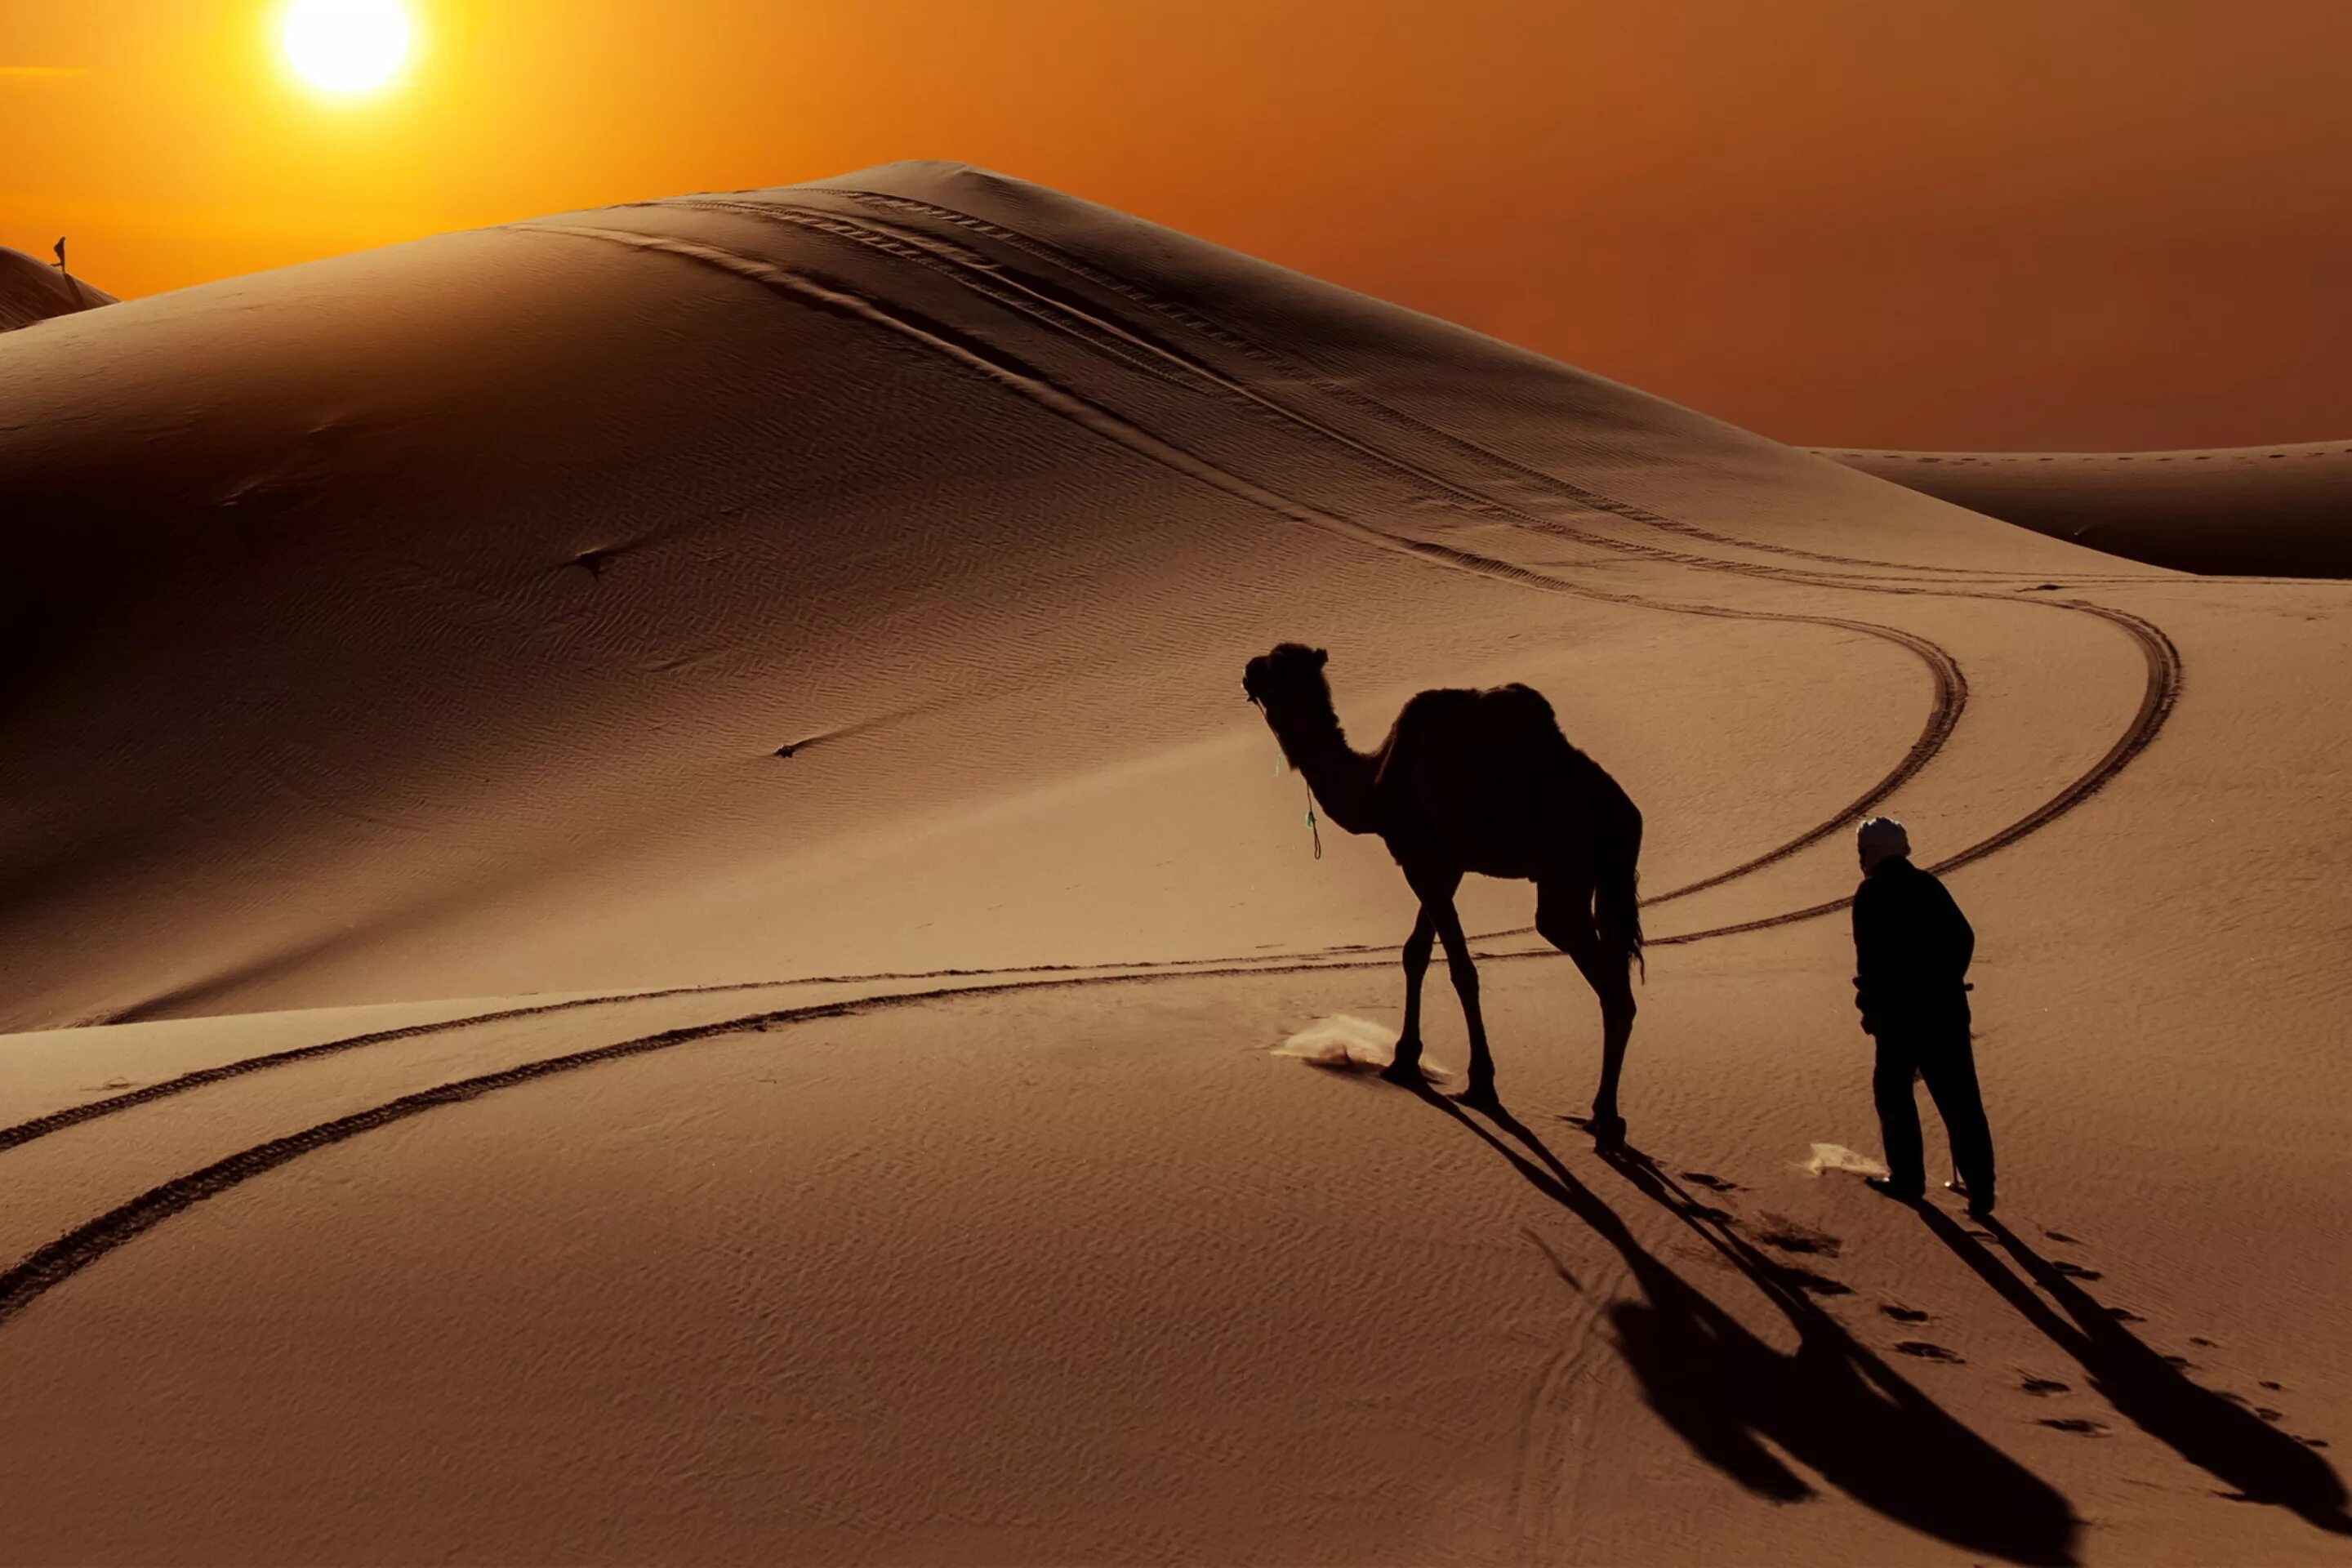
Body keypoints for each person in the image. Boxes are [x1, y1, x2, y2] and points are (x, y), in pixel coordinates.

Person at [1851, 817, 1997, 1216]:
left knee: (1894, 1092)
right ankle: (1982, 1189)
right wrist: (1946, 980)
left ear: (1874, 851)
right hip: (1945, 1011)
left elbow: (1871, 964)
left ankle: (1908, 1180)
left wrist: (1871, 1008)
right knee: (1961, 1099)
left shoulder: (1871, 894)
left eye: (1862, 850)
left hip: (1900, 1018)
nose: (1860, 858)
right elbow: (1963, 938)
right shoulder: (1929, 885)